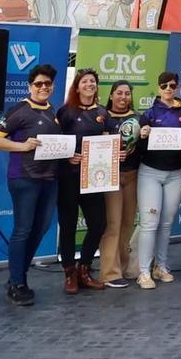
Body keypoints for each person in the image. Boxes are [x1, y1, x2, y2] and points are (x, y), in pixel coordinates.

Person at [0, 63, 64, 306]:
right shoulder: (19, 110)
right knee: (23, 230)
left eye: (48, 84)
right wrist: (22, 146)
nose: (43, 87)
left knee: (41, 228)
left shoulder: (54, 111)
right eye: (39, 84)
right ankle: (17, 282)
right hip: (24, 179)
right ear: (30, 86)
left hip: (49, 179)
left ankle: (19, 275)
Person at [54, 69, 113, 293]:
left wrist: (114, 152)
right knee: (68, 225)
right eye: (85, 81)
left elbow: (109, 140)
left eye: (93, 81)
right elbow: (55, 142)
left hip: (94, 179)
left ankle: (84, 269)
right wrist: (67, 155)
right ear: (77, 87)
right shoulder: (66, 111)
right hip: (68, 177)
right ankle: (69, 272)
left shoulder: (102, 113)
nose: (89, 84)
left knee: (98, 225)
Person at [134, 71, 181, 289]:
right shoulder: (148, 114)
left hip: (175, 172)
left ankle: (161, 266)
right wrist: (143, 135)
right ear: (158, 88)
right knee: (150, 223)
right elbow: (137, 149)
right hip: (150, 171)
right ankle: (143, 272)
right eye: (164, 85)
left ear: (177, 88)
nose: (168, 89)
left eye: (172, 85)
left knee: (166, 223)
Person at [97, 80, 143, 286]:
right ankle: (109, 273)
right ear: (111, 95)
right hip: (110, 177)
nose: (123, 97)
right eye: (119, 93)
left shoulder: (139, 118)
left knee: (127, 223)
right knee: (112, 224)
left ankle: (123, 267)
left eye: (127, 94)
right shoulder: (102, 117)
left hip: (133, 175)